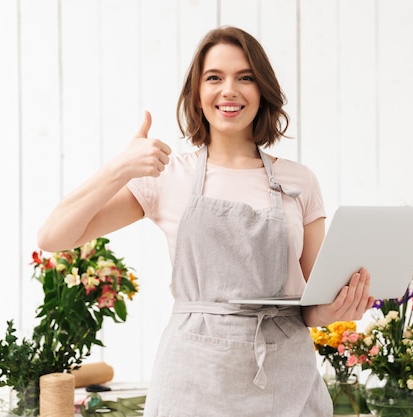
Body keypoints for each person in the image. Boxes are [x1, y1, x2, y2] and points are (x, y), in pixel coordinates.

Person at [38, 26, 374, 417]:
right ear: (197, 94)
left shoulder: (300, 181)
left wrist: (336, 310)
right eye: (214, 78)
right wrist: (120, 168)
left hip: (286, 381)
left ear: (262, 89)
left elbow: (311, 307)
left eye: (245, 77)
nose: (229, 90)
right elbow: (53, 236)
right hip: (193, 382)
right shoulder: (166, 177)